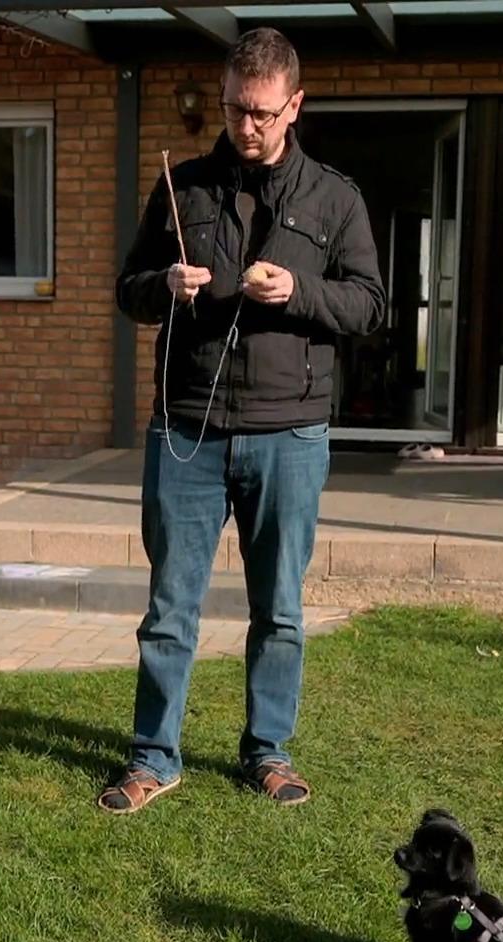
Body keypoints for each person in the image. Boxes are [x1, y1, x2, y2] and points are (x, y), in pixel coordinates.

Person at [103, 28, 386, 814]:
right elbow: (127, 290)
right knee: (169, 610)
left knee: (280, 610)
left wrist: (297, 291)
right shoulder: (183, 186)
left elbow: (370, 305)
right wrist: (164, 283)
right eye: (235, 109)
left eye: (261, 112)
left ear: (294, 106)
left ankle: (268, 751)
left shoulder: (336, 198)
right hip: (186, 427)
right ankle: (153, 758)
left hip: (288, 432)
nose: (246, 125)